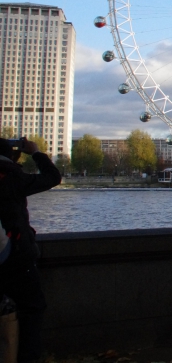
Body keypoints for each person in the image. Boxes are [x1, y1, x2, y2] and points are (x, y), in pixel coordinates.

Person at [0, 137, 62, 362]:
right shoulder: (12, 177)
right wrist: (35, 153)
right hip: (16, 258)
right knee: (31, 309)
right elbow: (53, 177)